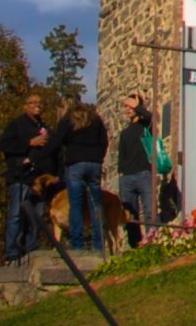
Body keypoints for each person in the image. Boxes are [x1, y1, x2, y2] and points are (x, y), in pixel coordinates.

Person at [0, 93, 51, 261]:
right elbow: (5, 145)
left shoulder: (44, 128)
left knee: (36, 216)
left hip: (38, 180)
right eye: (32, 102)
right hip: (20, 177)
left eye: (39, 103)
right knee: (16, 215)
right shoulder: (16, 125)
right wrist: (29, 143)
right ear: (25, 106)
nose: (37, 105)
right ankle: (12, 250)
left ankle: (31, 247)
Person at [55, 99, 109, 252]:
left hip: (75, 164)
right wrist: (99, 157)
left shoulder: (68, 120)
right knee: (95, 204)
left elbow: (57, 140)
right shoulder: (96, 119)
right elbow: (104, 140)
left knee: (76, 205)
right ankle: (98, 245)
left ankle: (77, 245)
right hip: (94, 164)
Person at [114, 95, 157, 249]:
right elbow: (122, 154)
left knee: (149, 210)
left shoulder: (146, 126)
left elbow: (149, 116)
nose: (128, 109)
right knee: (130, 215)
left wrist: (138, 106)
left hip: (144, 174)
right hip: (127, 177)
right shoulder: (124, 133)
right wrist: (121, 173)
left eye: (131, 106)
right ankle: (136, 245)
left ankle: (152, 242)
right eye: (126, 107)